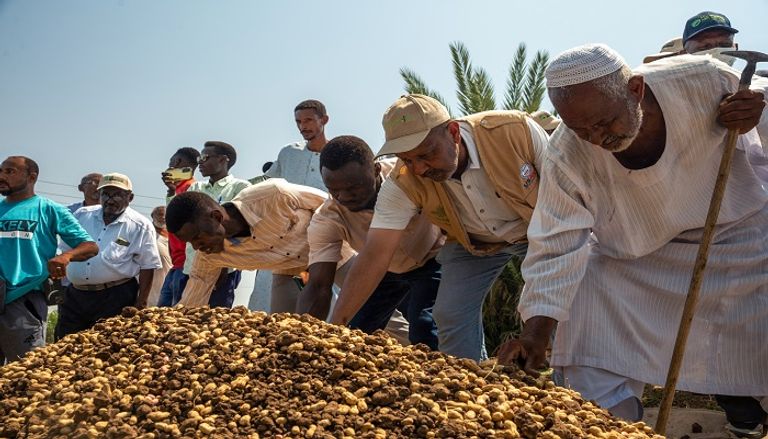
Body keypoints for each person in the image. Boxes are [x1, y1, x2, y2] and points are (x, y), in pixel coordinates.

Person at [497, 44, 767, 433]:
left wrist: (754, 112)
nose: (596, 138)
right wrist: (535, 333)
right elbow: (556, 243)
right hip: (640, 256)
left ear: (636, 89)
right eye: (581, 129)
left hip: (740, 237)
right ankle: (611, 426)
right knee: (588, 288)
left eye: (604, 122)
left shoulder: (705, 80)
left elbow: (760, 104)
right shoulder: (566, 154)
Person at [330, 94, 549, 361]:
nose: (419, 169)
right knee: (449, 313)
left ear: (453, 132)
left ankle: (567, 380)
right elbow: (375, 253)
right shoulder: (402, 182)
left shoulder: (514, 131)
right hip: (473, 244)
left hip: (539, 231)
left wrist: (537, 327)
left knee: (560, 303)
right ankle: (468, 379)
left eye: (426, 154)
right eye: (407, 160)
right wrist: (334, 329)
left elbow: (564, 201)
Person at [299, 135, 443, 349]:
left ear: (376, 170)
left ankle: (468, 367)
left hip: (434, 257)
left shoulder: (408, 173)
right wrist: (304, 337)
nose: (343, 197)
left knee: (425, 328)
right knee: (354, 334)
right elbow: (319, 285)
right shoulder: (327, 219)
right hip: (383, 270)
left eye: (353, 187)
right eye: (334, 190)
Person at [166, 179, 354, 311]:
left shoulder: (272, 194)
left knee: (363, 303)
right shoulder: (208, 256)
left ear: (216, 217)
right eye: (190, 242)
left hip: (331, 252)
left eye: (197, 237)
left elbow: (328, 204)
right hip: (289, 269)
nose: (196, 247)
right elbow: (191, 303)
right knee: (285, 328)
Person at [0, 156, 97, 362]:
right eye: (1, 171)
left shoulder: (49, 209)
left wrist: (66, 256)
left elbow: (90, 247)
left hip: (23, 298)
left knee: (25, 369)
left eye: (10, 172)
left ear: (31, 177)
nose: (2, 176)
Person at [56, 173, 161, 339]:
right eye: (106, 194)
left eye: (117, 195)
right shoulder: (82, 215)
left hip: (115, 296)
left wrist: (141, 303)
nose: (110, 200)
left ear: (130, 197)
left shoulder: (140, 225)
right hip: (76, 295)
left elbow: (148, 265)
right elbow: (66, 249)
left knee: (107, 344)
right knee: (65, 344)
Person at [250, 100, 332, 312]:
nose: (303, 126)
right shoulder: (289, 153)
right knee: (268, 294)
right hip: (283, 235)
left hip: (324, 236)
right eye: (298, 122)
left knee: (326, 296)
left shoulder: (337, 154)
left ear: (324, 120)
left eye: (309, 120)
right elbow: (269, 185)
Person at [181, 141, 250, 308]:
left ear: (223, 160)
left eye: (204, 158)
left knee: (215, 319)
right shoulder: (196, 187)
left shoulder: (240, 187)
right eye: (199, 158)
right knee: (184, 317)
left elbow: (240, 229)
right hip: (192, 267)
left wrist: (223, 266)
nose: (200, 163)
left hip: (224, 269)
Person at [157, 147, 199, 307]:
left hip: (186, 265)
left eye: (171, 163)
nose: (169, 167)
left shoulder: (192, 188)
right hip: (176, 264)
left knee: (177, 315)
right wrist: (171, 191)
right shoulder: (177, 190)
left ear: (177, 162)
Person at [147, 206, 172, 307]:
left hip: (169, 278)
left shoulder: (173, 234)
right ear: (152, 216)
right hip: (152, 279)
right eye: (160, 215)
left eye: (165, 215)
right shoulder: (147, 232)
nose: (163, 218)